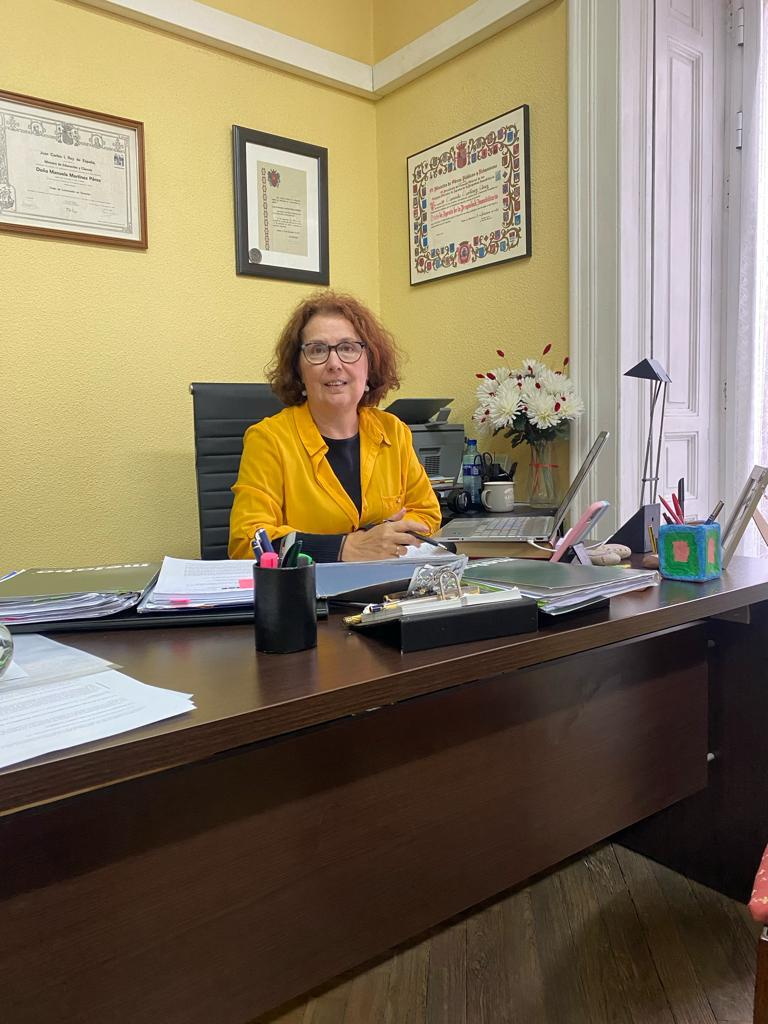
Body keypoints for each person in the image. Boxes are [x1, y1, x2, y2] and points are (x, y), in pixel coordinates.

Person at [228, 291, 442, 561]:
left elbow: (427, 514)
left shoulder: (393, 431)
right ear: (298, 371)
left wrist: (382, 537)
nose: (334, 364)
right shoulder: (268, 439)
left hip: (386, 590)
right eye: (317, 350)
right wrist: (343, 548)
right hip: (308, 594)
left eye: (348, 348)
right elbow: (248, 541)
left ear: (370, 362)